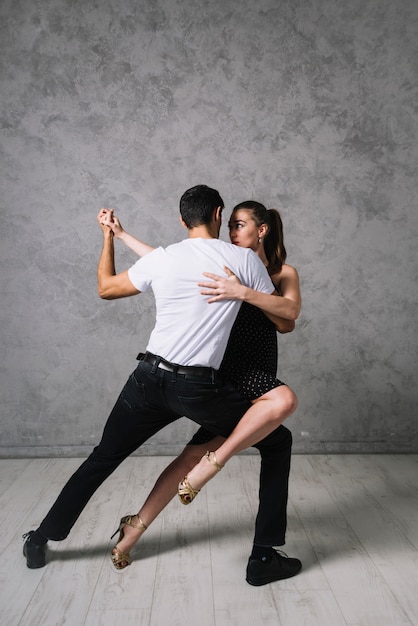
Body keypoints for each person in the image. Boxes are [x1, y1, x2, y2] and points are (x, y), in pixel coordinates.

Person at [22, 185, 301, 586]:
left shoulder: (164, 257)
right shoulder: (242, 261)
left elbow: (106, 288)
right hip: (197, 388)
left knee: (102, 457)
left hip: (147, 380)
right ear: (218, 215)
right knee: (275, 438)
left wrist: (110, 238)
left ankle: (40, 538)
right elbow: (283, 318)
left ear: (182, 220)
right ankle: (262, 553)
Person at [98, 201, 302, 582]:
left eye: (240, 226)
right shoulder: (222, 261)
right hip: (232, 374)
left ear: (262, 231)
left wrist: (241, 291)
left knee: (188, 457)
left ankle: (132, 531)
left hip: (251, 372)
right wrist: (122, 235)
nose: (232, 232)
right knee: (278, 432)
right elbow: (166, 261)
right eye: (231, 225)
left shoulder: (276, 273)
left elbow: (288, 318)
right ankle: (262, 551)